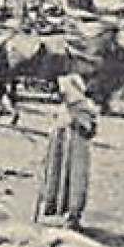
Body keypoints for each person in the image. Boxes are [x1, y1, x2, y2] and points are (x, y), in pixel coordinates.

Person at [35, 73, 97, 229]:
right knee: (56, 177)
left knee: (75, 180)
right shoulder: (64, 108)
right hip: (61, 150)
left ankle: (73, 214)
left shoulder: (83, 107)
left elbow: (89, 129)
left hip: (76, 151)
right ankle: (54, 210)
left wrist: (75, 123)